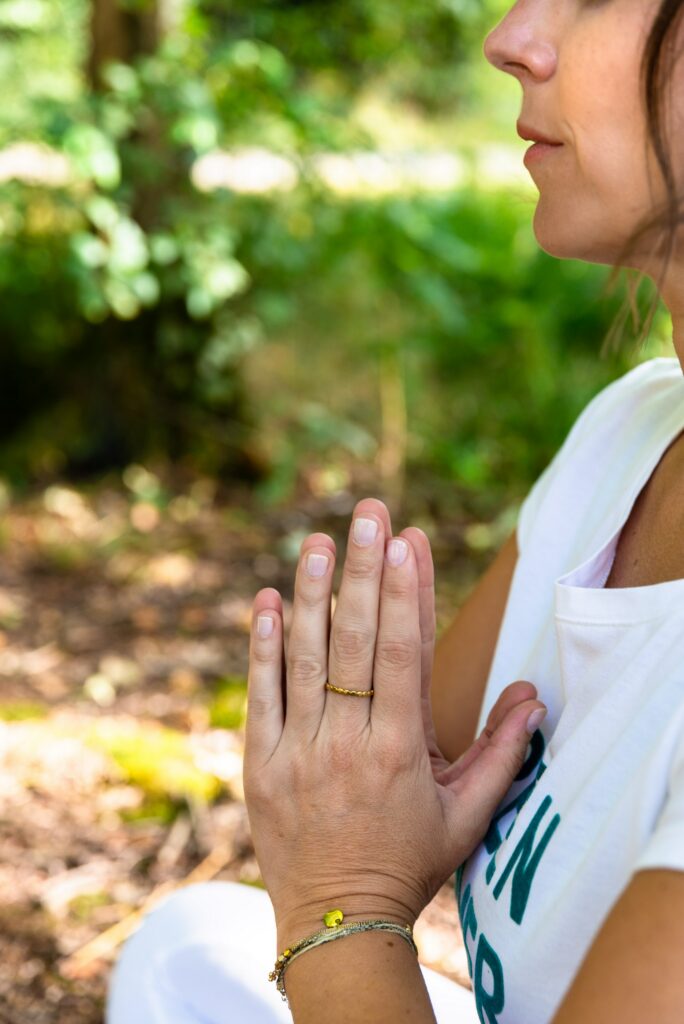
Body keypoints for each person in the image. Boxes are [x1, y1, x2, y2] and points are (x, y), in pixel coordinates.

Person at [106, 0, 684, 1021]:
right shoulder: (633, 428)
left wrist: (340, 911)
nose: (511, 38)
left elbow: (346, 865)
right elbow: (394, 783)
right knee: (185, 954)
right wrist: (346, 811)